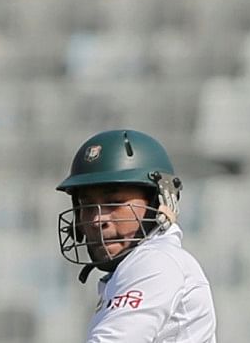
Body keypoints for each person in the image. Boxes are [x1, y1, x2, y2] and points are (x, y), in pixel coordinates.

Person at [55, 129, 216, 342]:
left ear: (158, 203)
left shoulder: (156, 261)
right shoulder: (134, 269)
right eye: (88, 205)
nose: (97, 220)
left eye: (115, 203)